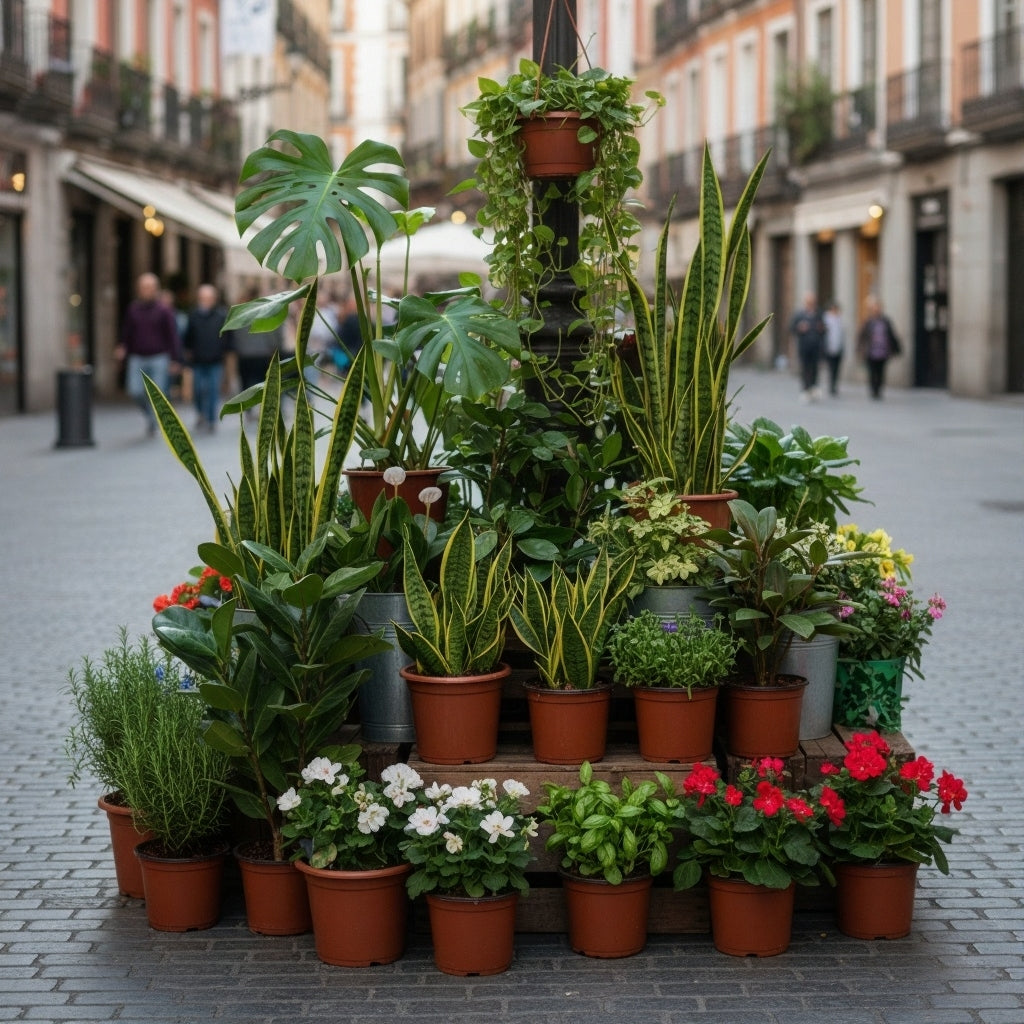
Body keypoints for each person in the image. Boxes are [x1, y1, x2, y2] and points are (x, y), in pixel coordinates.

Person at [116, 272, 181, 436]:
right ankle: (152, 418)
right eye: (144, 287)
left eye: (150, 287)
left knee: (158, 393)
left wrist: (175, 359)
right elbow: (127, 331)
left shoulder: (164, 310)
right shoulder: (133, 309)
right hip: (137, 357)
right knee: (135, 390)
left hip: (159, 357)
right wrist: (122, 346)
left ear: (156, 289)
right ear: (139, 289)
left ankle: (155, 422)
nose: (147, 290)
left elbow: (172, 336)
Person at [182, 283, 233, 432]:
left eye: (209, 298)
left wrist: (225, 351)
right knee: (197, 389)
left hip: (215, 360)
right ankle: (200, 413)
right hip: (197, 360)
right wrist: (187, 353)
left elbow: (228, 336)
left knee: (212, 390)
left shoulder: (221, 315)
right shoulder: (193, 315)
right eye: (203, 298)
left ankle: (211, 419)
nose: (206, 301)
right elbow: (188, 337)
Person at [233, 288, 284, 393]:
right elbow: (274, 334)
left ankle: (247, 407)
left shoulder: (240, 314)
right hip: (262, 354)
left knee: (245, 385)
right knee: (264, 385)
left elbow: (235, 335)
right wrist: (275, 349)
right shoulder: (267, 312)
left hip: (246, 354)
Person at [857, 295, 902, 400]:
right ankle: (873, 390)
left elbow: (892, 335)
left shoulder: (886, 321)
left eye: (877, 307)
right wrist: (860, 349)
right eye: (874, 308)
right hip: (871, 351)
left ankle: (879, 390)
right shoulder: (868, 321)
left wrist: (896, 348)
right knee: (872, 371)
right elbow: (862, 336)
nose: (876, 309)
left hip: (883, 351)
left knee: (881, 371)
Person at [789, 292, 826, 402]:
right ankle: (805, 389)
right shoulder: (799, 314)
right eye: (809, 302)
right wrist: (799, 328)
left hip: (816, 346)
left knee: (815, 367)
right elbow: (792, 328)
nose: (810, 304)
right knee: (805, 368)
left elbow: (824, 329)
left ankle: (814, 387)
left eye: (812, 302)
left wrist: (822, 329)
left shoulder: (819, 314)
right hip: (804, 346)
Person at [822, 300, 845, 397]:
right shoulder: (826, 319)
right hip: (829, 347)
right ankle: (831, 386)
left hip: (839, 348)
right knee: (831, 368)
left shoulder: (840, 319)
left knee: (836, 368)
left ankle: (834, 385)